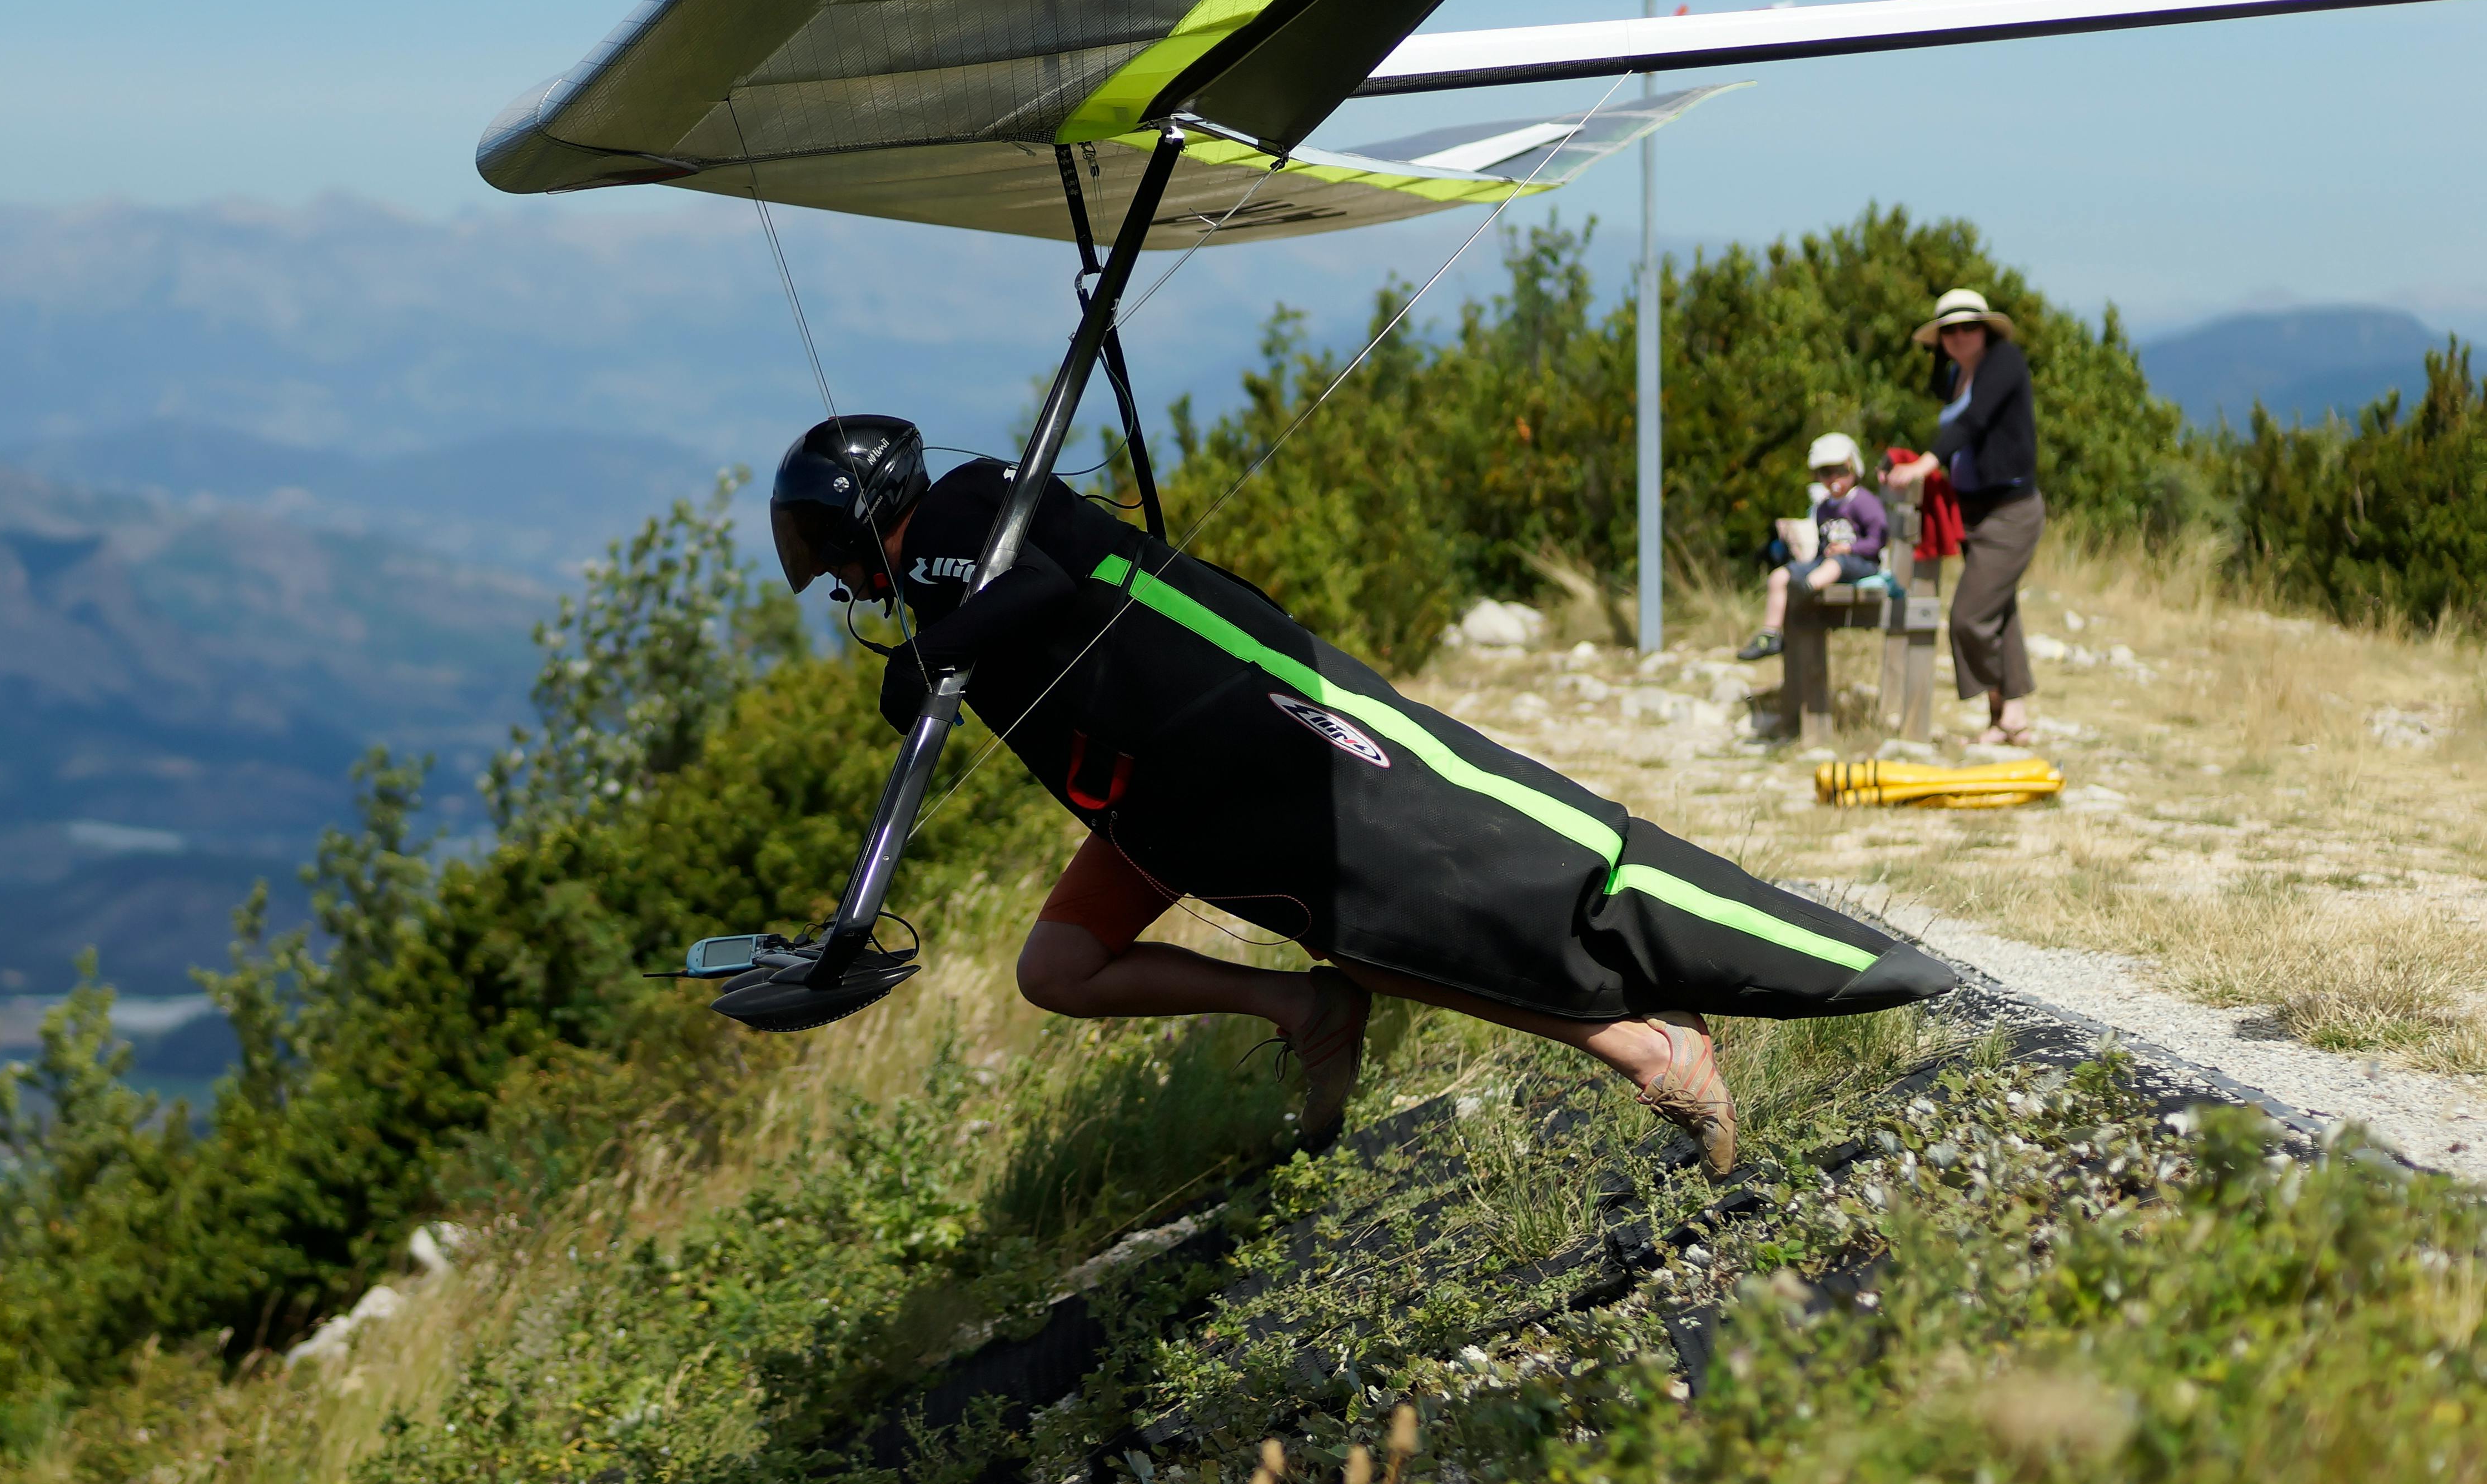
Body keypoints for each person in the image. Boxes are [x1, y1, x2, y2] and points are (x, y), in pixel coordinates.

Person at [767, 416, 1957, 1177]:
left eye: (828, 547)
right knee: (1057, 968)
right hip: (1154, 797)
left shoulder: (962, 518)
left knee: (1395, 922)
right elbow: (1012, 614)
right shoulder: (950, 564)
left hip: (1225, 740)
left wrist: (932, 652)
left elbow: (1042, 591)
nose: (834, 574)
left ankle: (1647, 1047)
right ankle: (1304, 1013)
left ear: (859, 515)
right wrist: (933, 652)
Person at [1884, 288, 2041, 745]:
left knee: (1970, 618)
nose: (1958, 336)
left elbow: (1972, 422)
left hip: (2010, 511)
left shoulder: (2005, 361)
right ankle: (2009, 718)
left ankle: (2005, 708)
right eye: (1948, 331)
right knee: (2001, 613)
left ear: (1986, 329)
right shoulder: (1956, 374)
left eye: (1968, 327)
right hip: (1972, 512)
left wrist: (1923, 465)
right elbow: (1951, 416)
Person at [1735, 432, 1889, 662]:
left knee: (1835, 564)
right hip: (1827, 563)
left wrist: (1849, 549)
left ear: (1854, 469)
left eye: (1841, 470)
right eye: (1826, 472)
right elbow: (1822, 545)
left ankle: (1804, 590)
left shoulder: (1863, 502)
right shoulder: (1824, 507)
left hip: (1860, 563)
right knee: (1780, 576)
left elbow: (1878, 541)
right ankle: (1770, 634)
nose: (1834, 478)